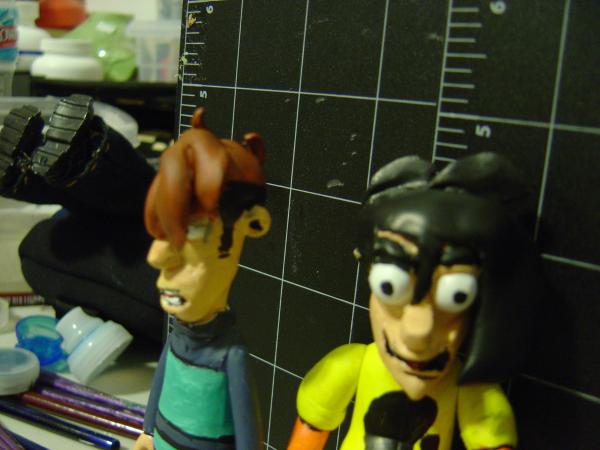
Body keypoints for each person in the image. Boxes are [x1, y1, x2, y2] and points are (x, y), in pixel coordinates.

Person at [286, 153, 543, 450]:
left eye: (456, 296)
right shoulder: (353, 364)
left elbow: (491, 437)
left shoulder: (467, 388)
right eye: (390, 287)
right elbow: (312, 425)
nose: (418, 332)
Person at [134, 108, 270, 450]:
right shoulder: (176, 337)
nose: (156, 258)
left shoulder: (230, 356)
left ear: (253, 225)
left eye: (193, 231)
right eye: (165, 234)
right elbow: (160, 382)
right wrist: (148, 432)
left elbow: (247, 428)